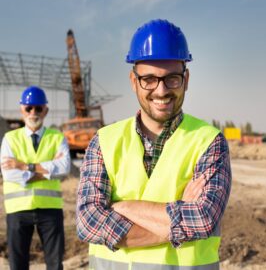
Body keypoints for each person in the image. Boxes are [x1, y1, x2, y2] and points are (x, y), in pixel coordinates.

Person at [76, 19, 231, 269]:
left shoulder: (209, 141)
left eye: (172, 79)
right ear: (133, 80)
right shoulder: (103, 141)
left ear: (186, 79)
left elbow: (203, 220)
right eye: (149, 79)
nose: (161, 91)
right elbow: (88, 223)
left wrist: (121, 207)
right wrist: (179, 217)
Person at [0, 86, 71, 270]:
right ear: (21, 109)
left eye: (38, 108)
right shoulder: (10, 138)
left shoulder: (57, 137)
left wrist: (24, 166)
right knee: (18, 265)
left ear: (45, 110)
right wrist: (47, 170)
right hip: (18, 210)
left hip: (50, 209)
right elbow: (9, 174)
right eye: (29, 108)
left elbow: (64, 168)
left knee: (55, 264)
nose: (33, 112)